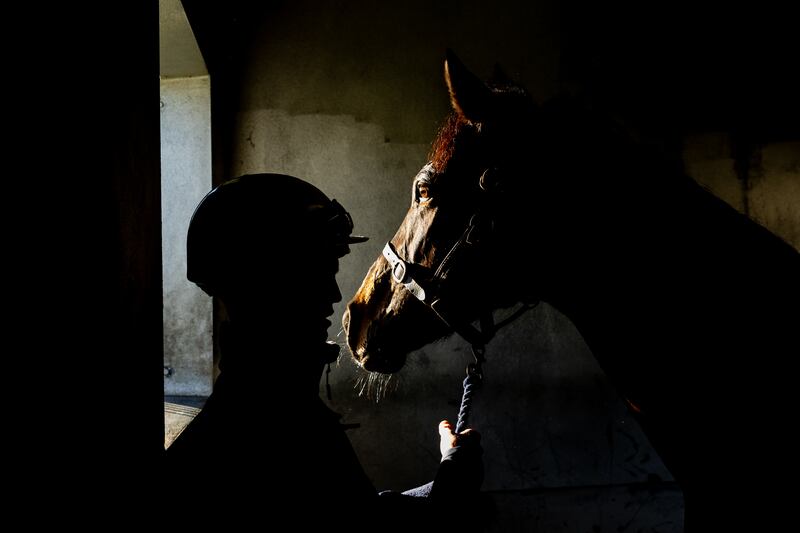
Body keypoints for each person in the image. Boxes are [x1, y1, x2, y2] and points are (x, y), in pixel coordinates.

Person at [165, 174, 484, 530]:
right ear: (269, 280)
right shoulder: (272, 422)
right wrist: (454, 477)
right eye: (317, 275)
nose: (334, 295)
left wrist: (448, 475)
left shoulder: (264, 405)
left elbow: (354, 512)